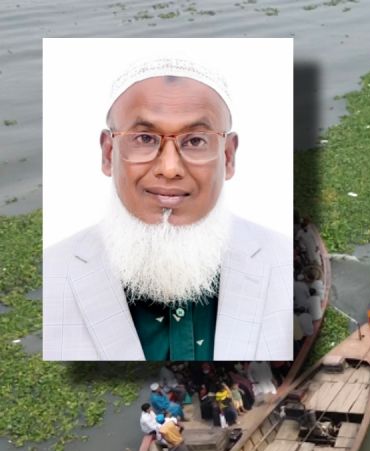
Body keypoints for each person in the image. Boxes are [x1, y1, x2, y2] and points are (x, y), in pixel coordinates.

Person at [43, 57, 291, 361]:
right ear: (109, 153)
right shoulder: (51, 274)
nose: (170, 168)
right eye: (145, 139)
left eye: (196, 140)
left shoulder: (285, 264)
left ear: (228, 157)